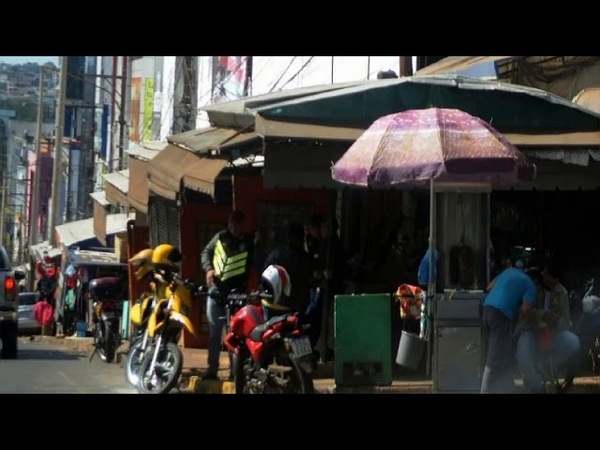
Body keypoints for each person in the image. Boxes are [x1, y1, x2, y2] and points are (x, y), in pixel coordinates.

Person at [200, 210, 255, 380]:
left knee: (235, 334)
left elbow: (256, 262)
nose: (235, 227)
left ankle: (235, 372)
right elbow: (205, 253)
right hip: (216, 291)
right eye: (232, 224)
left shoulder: (249, 242)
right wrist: (209, 269)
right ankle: (212, 370)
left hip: (237, 295)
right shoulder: (220, 237)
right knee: (215, 332)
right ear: (228, 223)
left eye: (238, 224)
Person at [515, 264, 580, 393]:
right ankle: (535, 383)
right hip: (531, 331)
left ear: (553, 278)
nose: (543, 276)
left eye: (546, 274)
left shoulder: (561, 293)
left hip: (552, 332)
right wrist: (541, 316)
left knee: (574, 342)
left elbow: (565, 322)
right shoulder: (533, 288)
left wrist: (552, 320)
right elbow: (523, 313)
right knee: (522, 354)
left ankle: (548, 369)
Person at [480, 258, 537, 393]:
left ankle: (509, 389)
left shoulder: (507, 272)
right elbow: (526, 310)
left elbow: (489, 288)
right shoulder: (529, 284)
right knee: (494, 362)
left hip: (486, 310)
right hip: (501, 315)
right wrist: (528, 320)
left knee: (499, 356)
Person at [263, 222, 312, 322]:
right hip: (296, 306)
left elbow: (265, 276)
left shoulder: (275, 254)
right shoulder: (305, 257)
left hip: (275, 304)